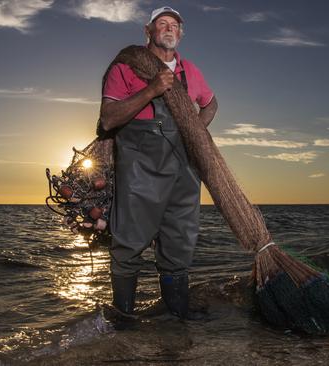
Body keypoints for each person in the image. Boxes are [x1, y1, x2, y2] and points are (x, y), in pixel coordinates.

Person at [98, 6, 218, 320]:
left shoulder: (190, 70)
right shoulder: (126, 67)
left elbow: (210, 102)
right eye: (161, 23)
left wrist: (196, 131)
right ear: (147, 31)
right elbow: (108, 119)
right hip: (140, 168)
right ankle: (124, 321)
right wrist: (152, 90)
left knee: (179, 244)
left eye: (174, 25)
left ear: (180, 33)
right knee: (128, 246)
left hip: (183, 170)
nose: (168, 29)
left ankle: (176, 317)